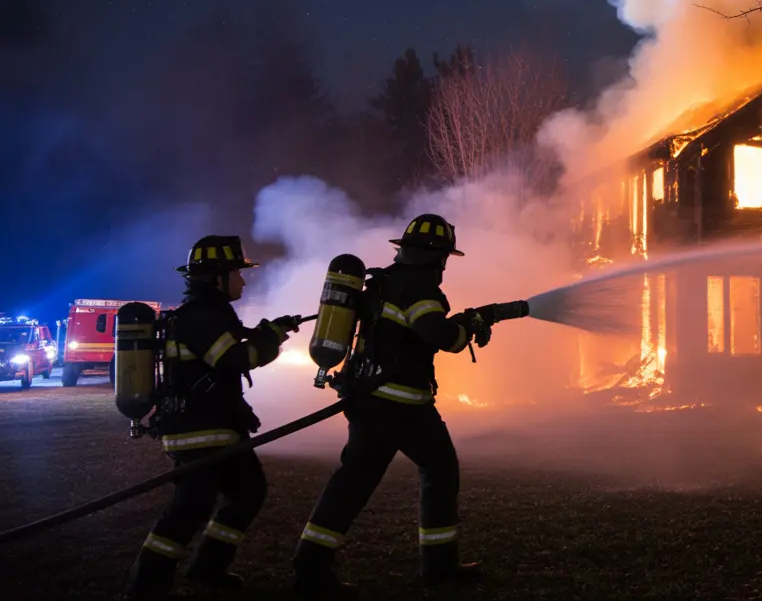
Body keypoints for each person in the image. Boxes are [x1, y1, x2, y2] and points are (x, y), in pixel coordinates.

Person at [291, 213, 491, 597]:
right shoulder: (421, 289)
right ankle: (438, 565)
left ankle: (309, 565)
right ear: (438, 258)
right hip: (400, 406)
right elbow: (441, 337)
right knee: (438, 469)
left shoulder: (383, 282)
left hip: (369, 399)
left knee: (352, 483)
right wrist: (470, 326)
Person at [125, 235, 301, 600]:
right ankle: (146, 587)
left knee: (248, 492)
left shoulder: (212, 314)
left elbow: (236, 348)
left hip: (218, 426)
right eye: (237, 272)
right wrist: (268, 340)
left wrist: (272, 330)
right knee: (190, 507)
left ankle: (209, 567)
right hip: (196, 429)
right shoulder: (200, 317)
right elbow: (236, 360)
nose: (242, 280)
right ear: (216, 277)